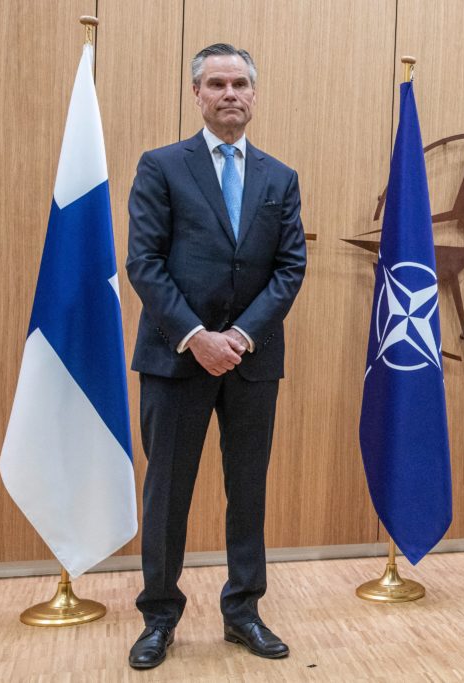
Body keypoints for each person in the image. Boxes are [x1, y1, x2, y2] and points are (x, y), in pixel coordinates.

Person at [125, 43, 307, 668]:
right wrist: (197, 336)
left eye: (240, 84)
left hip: (252, 362)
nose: (230, 94)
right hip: (177, 358)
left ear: (253, 95)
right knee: (167, 494)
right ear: (197, 95)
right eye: (217, 84)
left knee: (248, 490)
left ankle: (243, 612)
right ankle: (158, 618)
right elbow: (144, 262)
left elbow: (290, 268)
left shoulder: (280, 177)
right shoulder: (161, 166)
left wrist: (241, 336)